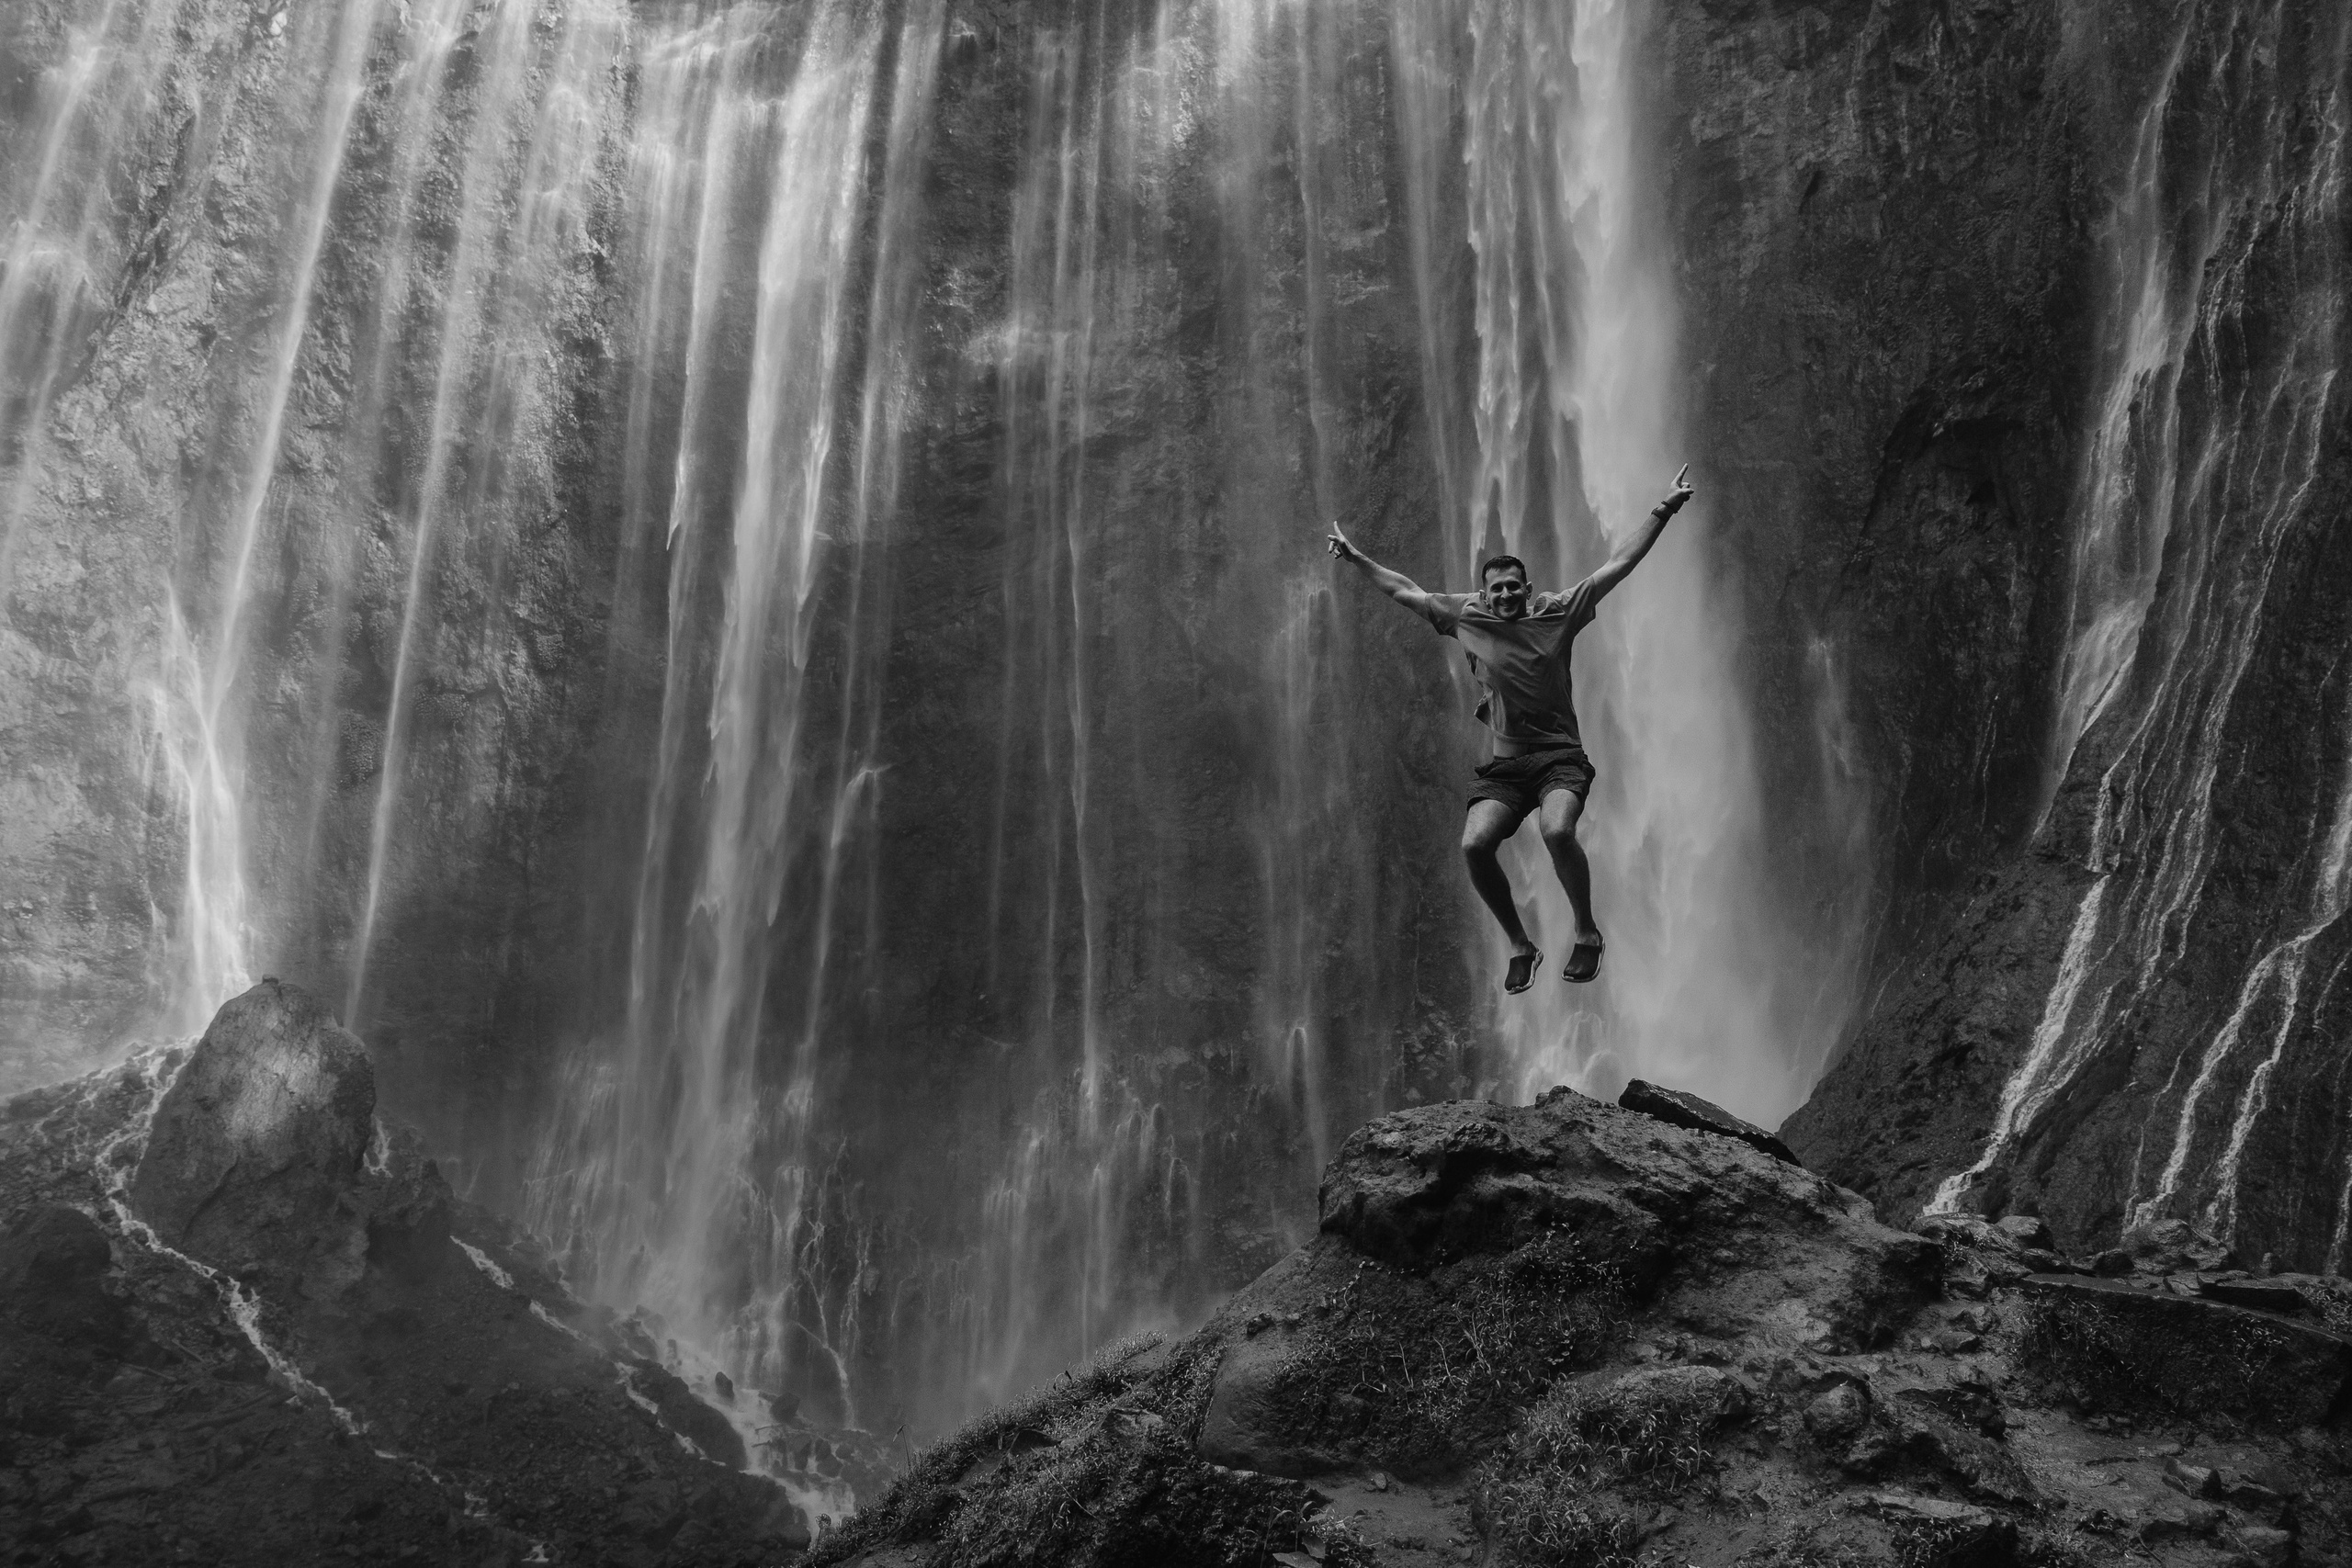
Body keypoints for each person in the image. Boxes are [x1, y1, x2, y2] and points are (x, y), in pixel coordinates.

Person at [1326, 467, 1695, 993]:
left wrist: (1664, 508)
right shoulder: (1464, 615)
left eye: (1512, 587)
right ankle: (1522, 945)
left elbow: (1620, 563)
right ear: (1483, 592)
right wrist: (1355, 556)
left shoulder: (1559, 611)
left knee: (1557, 830)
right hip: (1505, 767)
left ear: (1528, 588)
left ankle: (1587, 933)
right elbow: (1401, 590)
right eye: (1495, 588)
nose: (1504, 595)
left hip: (1561, 759)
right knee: (1474, 846)